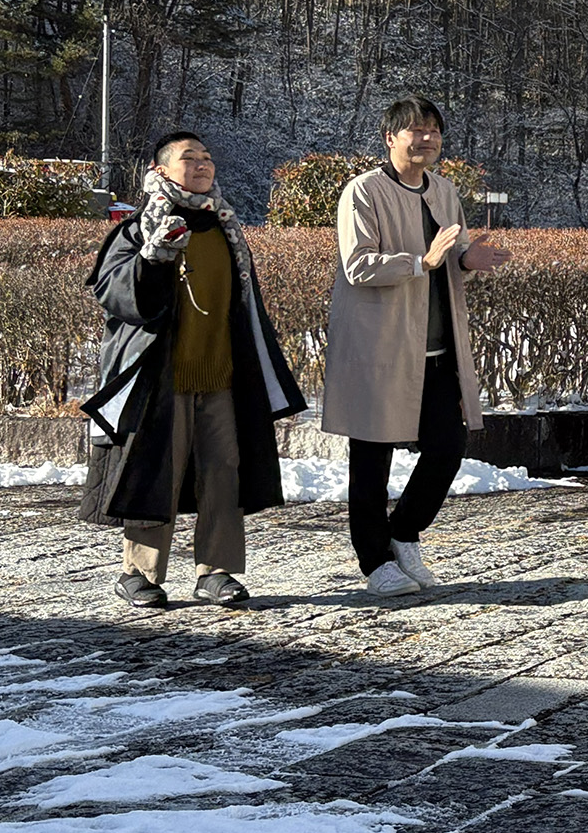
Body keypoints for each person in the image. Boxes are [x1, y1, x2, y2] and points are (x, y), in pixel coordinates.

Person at [80, 132, 307, 608]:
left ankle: (216, 572)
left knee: (224, 473)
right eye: (189, 158)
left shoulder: (226, 229)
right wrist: (154, 257)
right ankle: (138, 573)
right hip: (160, 379)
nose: (202, 164)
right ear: (160, 170)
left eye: (206, 157)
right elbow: (117, 295)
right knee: (154, 470)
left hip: (222, 376)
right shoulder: (138, 230)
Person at [323, 97, 508, 597]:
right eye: (414, 130)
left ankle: (403, 532)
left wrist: (467, 259)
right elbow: (358, 265)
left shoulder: (444, 190)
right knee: (372, 457)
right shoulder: (364, 191)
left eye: (433, 130)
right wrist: (420, 262)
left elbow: (453, 253)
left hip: (437, 348)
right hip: (379, 347)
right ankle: (374, 560)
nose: (426, 138)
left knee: (448, 448)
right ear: (390, 138)